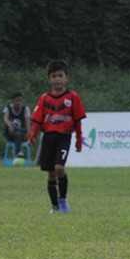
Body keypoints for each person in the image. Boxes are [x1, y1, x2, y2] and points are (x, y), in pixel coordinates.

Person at [27, 59, 86, 213]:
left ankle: (63, 199)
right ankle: (55, 206)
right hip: (48, 137)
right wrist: (32, 135)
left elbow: (78, 121)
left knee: (59, 167)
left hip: (64, 137)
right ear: (48, 79)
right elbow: (38, 120)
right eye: (54, 76)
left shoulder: (73, 97)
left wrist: (79, 140)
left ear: (66, 78)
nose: (57, 79)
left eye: (60, 76)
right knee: (51, 173)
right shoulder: (44, 98)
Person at [2, 92, 30, 158]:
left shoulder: (25, 109)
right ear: (13, 101)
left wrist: (28, 132)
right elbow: (5, 119)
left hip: (22, 135)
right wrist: (10, 126)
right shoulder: (8, 108)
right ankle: (18, 154)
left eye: (20, 101)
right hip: (10, 133)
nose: (18, 103)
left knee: (18, 133)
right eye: (17, 101)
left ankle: (17, 154)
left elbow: (28, 122)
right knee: (13, 127)